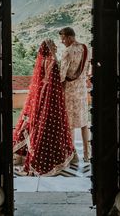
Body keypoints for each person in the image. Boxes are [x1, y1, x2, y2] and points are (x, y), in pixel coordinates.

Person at [13, 39, 74, 176]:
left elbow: (41, 80)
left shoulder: (43, 61)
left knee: (38, 123)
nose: (56, 46)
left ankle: (23, 154)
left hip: (41, 93)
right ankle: (43, 158)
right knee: (47, 123)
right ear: (49, 49)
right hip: (49, 95)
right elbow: (56, 80)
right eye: (53, 46)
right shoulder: (53, 62)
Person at [59, 27, 90, 163]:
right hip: (82, 91)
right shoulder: (85, 48)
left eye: (63, 38)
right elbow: (87, 69)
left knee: (70, 125)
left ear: (70, 37)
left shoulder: (68, 51)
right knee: (84, 124)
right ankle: (87, 154)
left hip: (70, 93)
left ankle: (73, 155)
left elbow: (61, 75)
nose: (62, 42)